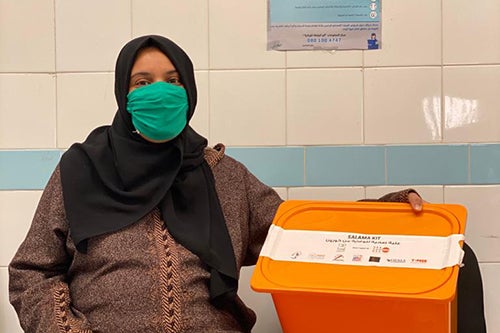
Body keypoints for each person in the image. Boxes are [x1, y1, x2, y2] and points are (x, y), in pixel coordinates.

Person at [8, 35, 485, 332]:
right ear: (123, 93)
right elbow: (32, 271)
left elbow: (300, 235)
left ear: (190, 92)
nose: (160, 92)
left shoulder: (224, 175)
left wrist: (388, 211)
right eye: (142, 82)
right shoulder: (80, 171)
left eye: (173, 81)